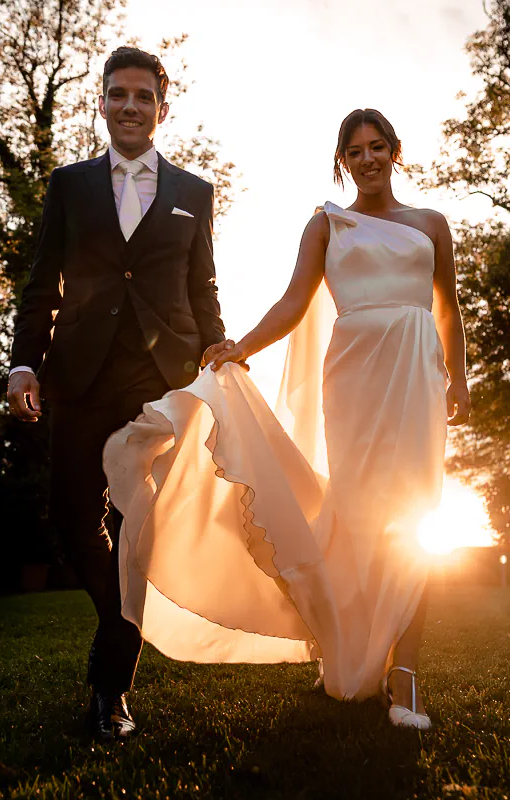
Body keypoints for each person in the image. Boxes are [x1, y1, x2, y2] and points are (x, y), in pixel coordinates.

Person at [103, 108, 471, 730]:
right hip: (354, 377)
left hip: (416, 377)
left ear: (395, 151)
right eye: (354, 151)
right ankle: (350, 645)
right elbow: (295, 301)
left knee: (413, 513)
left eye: (378, 147)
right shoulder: (327, 224)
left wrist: (458, 377)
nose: (367, 159)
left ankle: (405, 674)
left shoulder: (431, 224)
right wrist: (240, 346)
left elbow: (448, 309)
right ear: (342, 161)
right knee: (356, 517)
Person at [6, 46, 234, 742]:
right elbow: (42, 281)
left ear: (163, 108)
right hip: (77, 372)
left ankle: (112, 690)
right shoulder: (68, 185)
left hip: (158, 379)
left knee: (142, 527)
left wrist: (219, 350)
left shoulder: (194, 193)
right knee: (73, 518)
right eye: (118, 94)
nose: (130, 105)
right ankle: (122, 619)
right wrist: (23, 364)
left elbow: (202, 286)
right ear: (101, 103)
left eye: (143, 95)